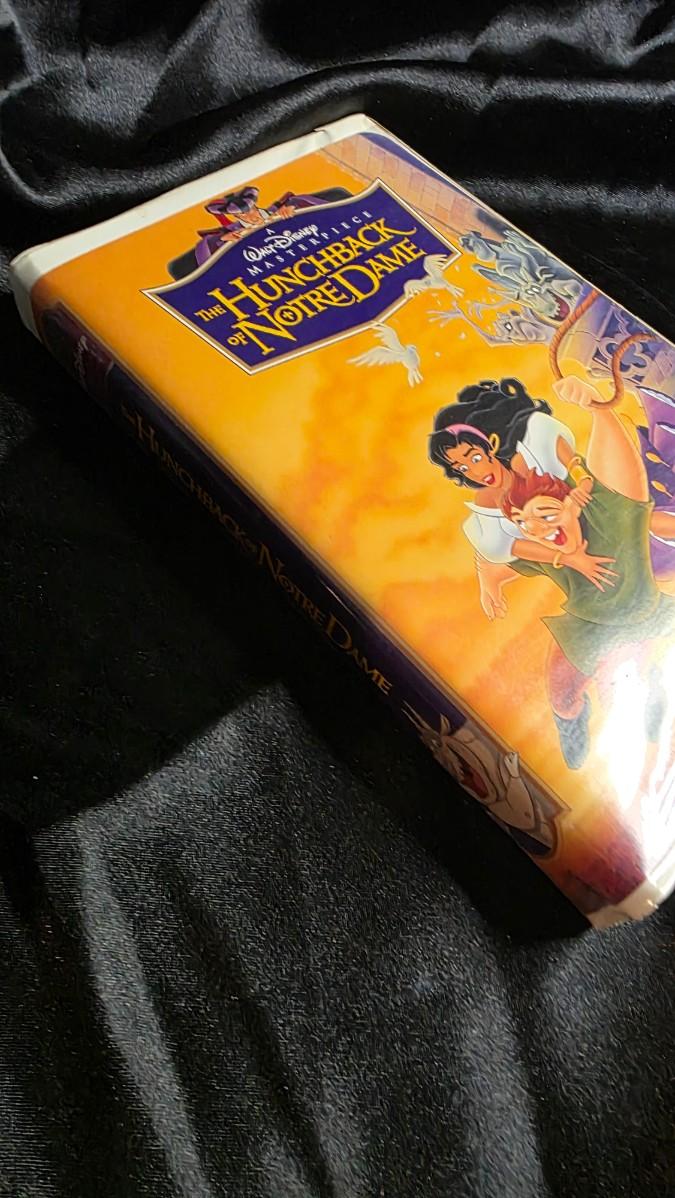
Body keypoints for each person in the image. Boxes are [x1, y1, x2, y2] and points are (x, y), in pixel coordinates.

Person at [479, 374, 675, 768]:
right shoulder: (546, 548)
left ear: (570, 502)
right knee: (562, 697)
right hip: (585, 626)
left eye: (545, 516)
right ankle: (574, 722)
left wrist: (595, 407)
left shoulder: (609, 516)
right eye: (526, 524)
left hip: (639, 615)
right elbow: (498, 563)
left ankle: (652, 704)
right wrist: (489, 583)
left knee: (620, 693)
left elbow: (621, 474)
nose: (538, 530)